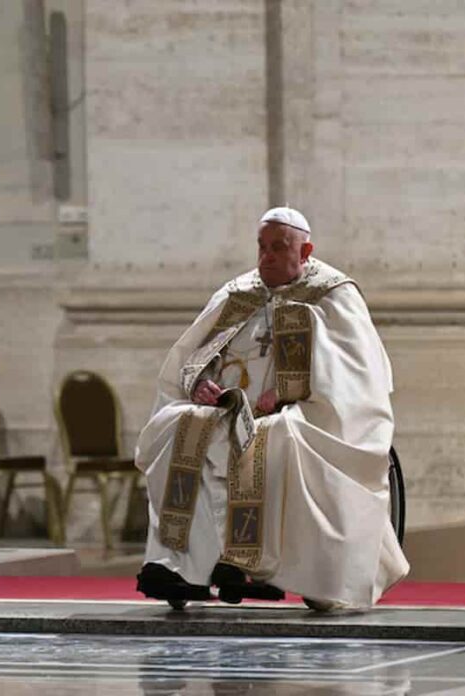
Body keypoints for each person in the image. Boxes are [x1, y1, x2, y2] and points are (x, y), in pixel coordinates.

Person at [135, 206, 409, 610]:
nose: (265, 257)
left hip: (302, 414)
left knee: (273, 437)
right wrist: (200, 384)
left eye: (278, 248)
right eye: (261, 247)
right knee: (177, 425)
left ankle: (248, 563)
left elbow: (357, 374)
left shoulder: (333, 294)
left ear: (305, 250)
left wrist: (288, 391)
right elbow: (192, 356)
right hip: (226, 412)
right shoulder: (238, 293)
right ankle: (180, 568)